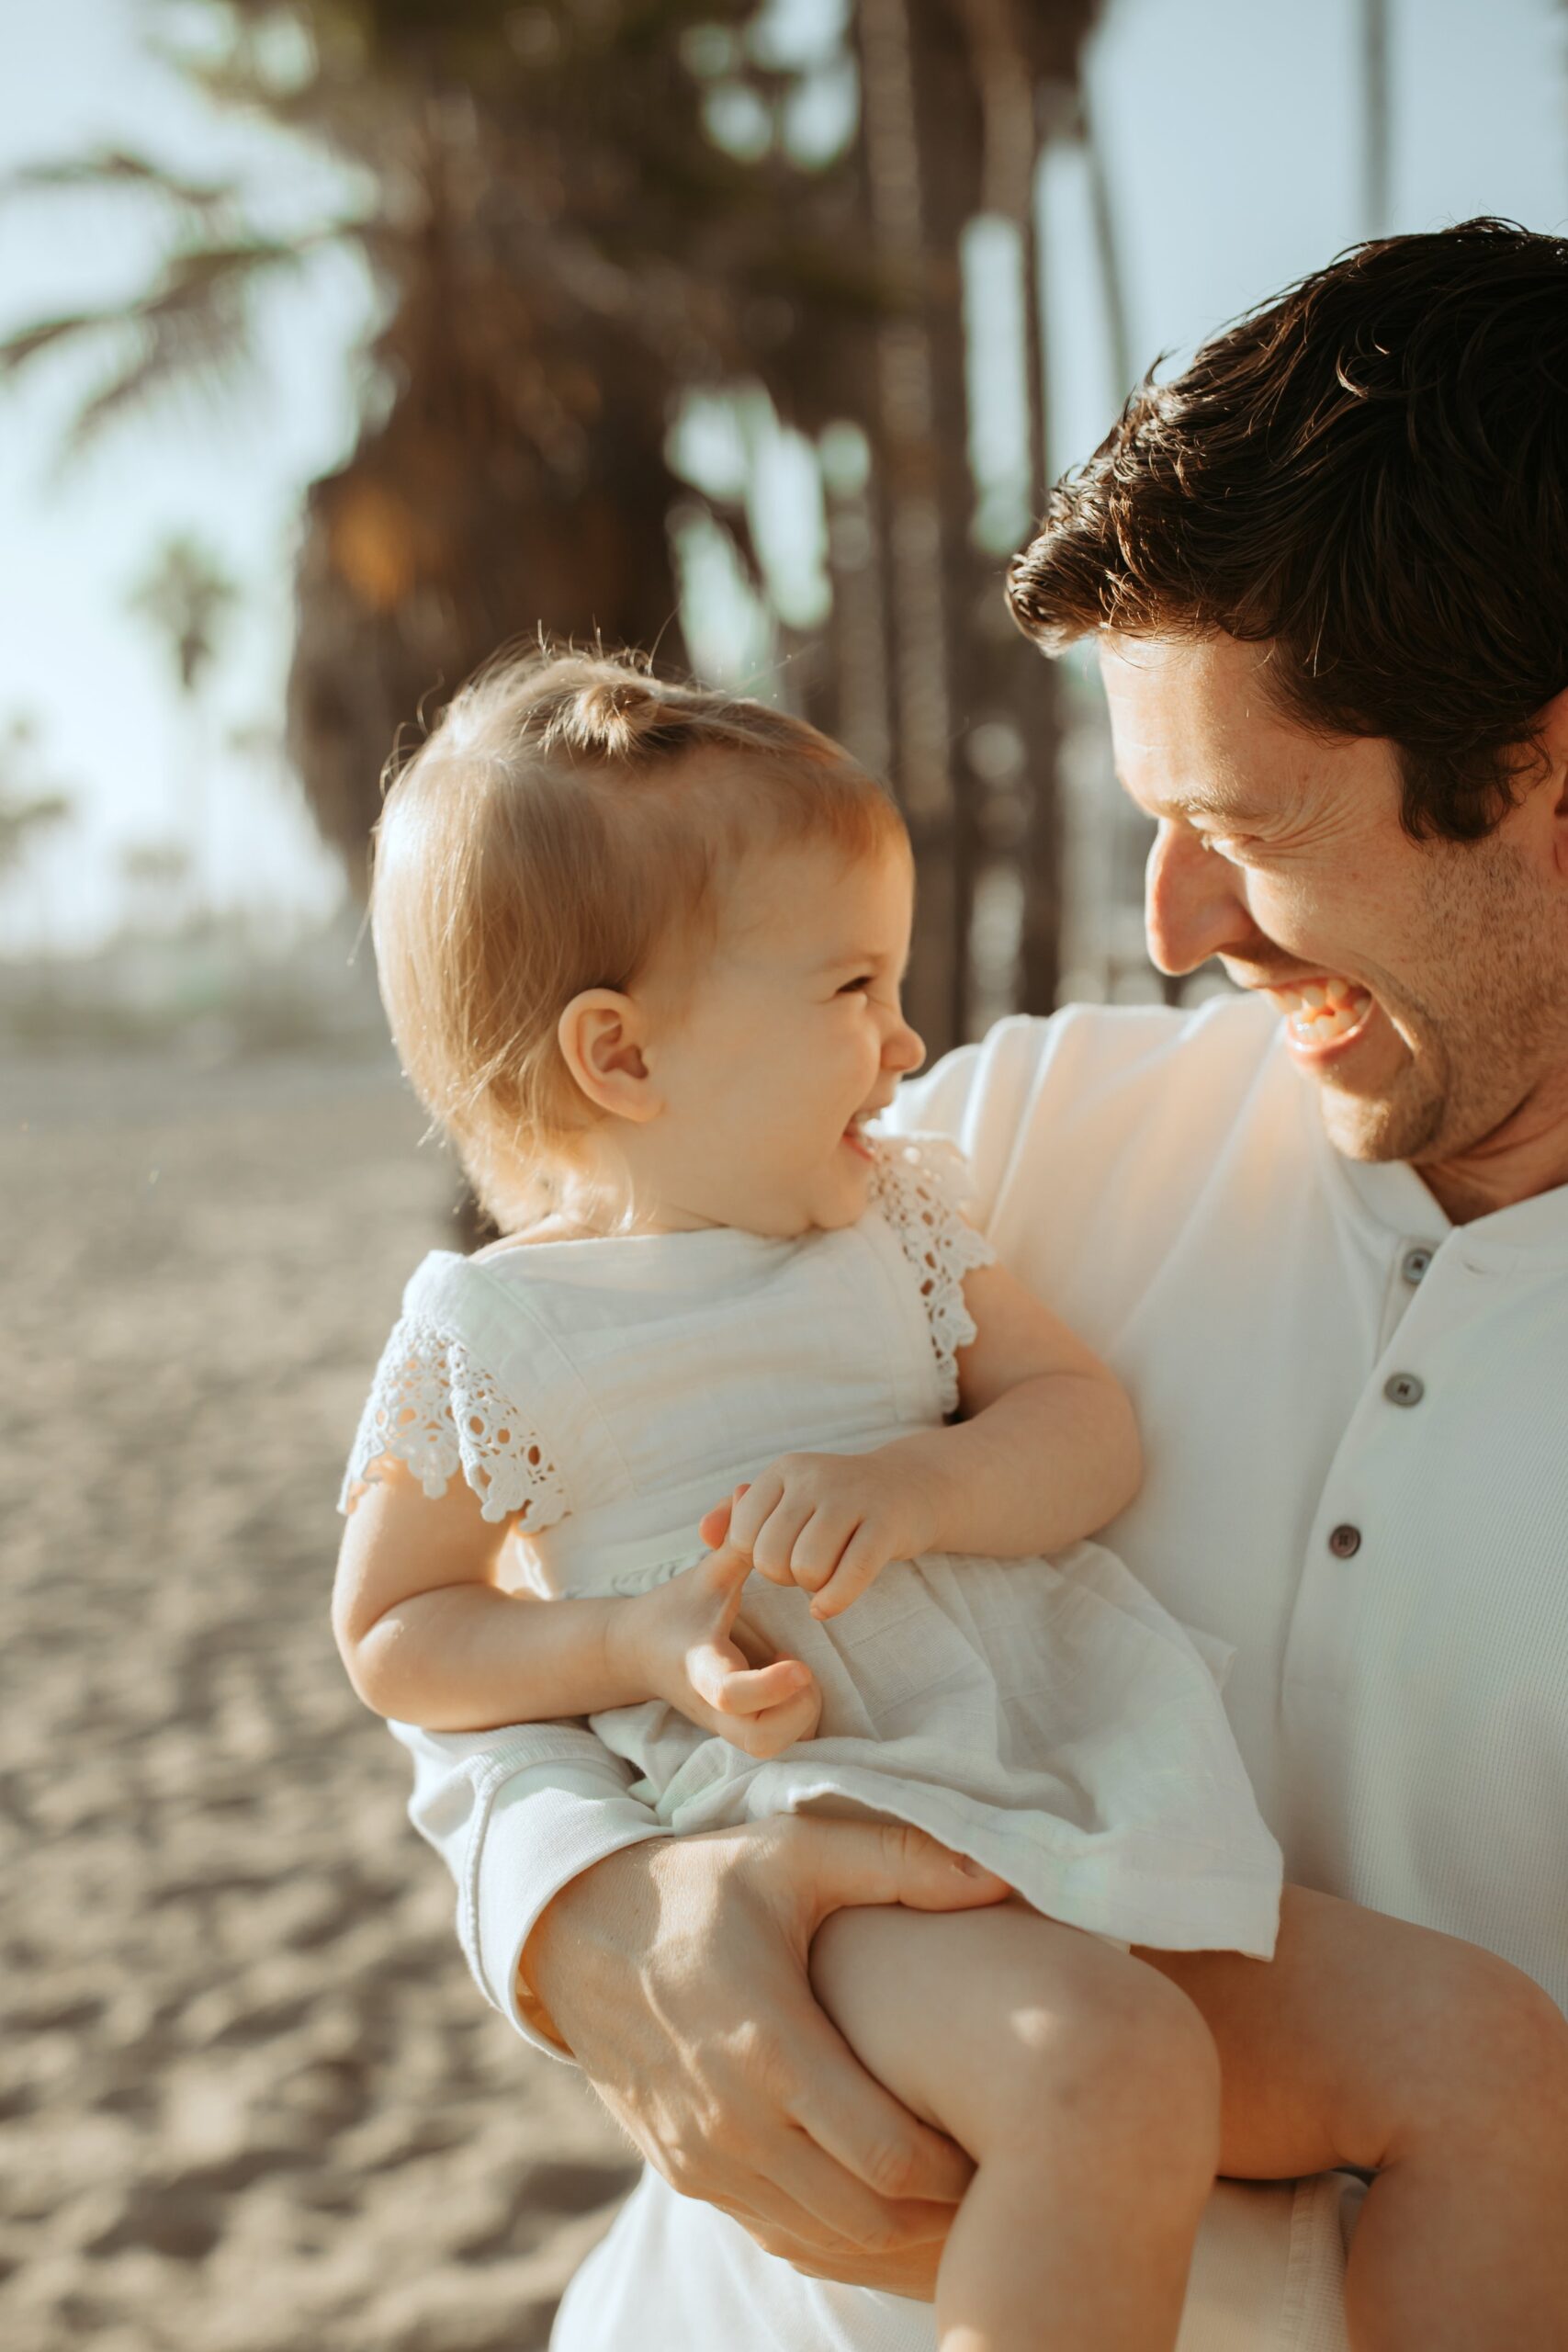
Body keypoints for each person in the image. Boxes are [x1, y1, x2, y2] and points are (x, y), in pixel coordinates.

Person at [386, 221, 1568, 2350]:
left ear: (1549, 774)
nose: (1172, 917)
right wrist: (594, 1917)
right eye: (1147, 815)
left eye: (1250, 822)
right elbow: (557, 1550)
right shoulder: (978, 1152)